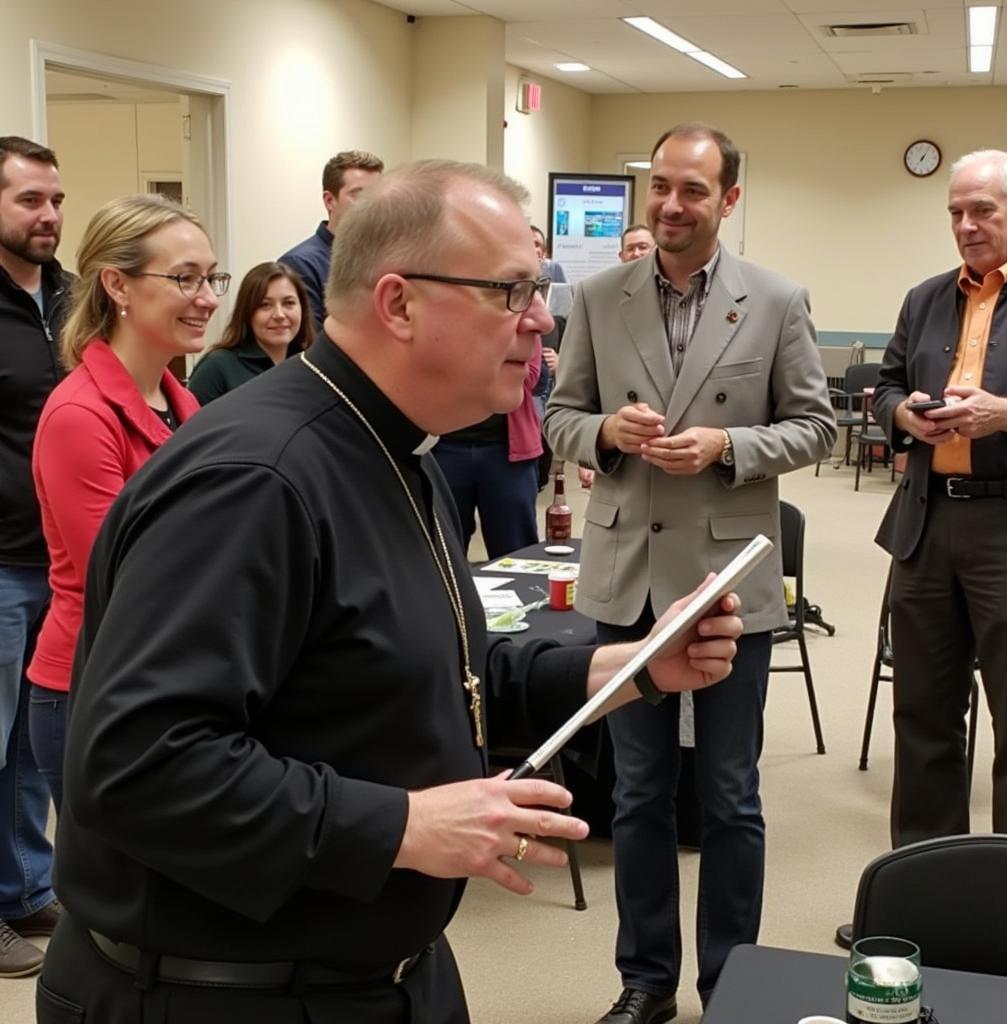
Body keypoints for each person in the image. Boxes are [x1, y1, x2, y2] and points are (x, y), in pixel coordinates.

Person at [37, 159, 744, 1024]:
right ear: (399, 303)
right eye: (511, 291)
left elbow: (429, 673)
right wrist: (400, 827)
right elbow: (136, 765)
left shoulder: (397, 448)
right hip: (220, 991)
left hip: (378, 971)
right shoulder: (257, 480)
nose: (538, 320)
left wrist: (622, 668)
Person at [545, 123, 836, 1021]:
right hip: (627, 574)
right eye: (661, 188)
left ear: (728, 201)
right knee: (636, 792)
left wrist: (728, 445)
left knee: (729, 793)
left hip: (726, 585)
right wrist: (601, 433)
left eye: (694, 191)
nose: (672, 205)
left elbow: (816, 427)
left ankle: (731, 981)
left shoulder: (777, 300)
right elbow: (559, 413)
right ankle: (645, 982)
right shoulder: (597, 296)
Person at [27, 194, 221, 815]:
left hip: (163, 676)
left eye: (211, 277)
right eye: (185, 278)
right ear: (118, 285)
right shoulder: (80, 415)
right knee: (113, 897)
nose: (209, 298)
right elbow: (125, 575)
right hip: (92, 686)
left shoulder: (180, 400)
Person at [873, 149, 1007, 844]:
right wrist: (902, 415)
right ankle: (925, 889)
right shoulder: (926, 297)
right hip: (927, 523)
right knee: (924, 716)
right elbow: (888, 386)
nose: (966, 225)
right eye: (956, 213)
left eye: (983, 211)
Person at [0, 136, 69, 979]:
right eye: (28, 201)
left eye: (54, 198)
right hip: (0, 558)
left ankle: (21, 888)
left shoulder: (70, 294)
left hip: (55, 562)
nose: (48, 214)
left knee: (28, 744)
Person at [433, 334, 545, 558]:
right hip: (444, 449)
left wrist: (466, 361)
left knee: (517, 552)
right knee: (442, 551)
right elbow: (431, 371)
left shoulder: (523, 319)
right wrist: (501, 363)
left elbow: (529, 377)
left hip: (508, 456)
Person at [280, 149, 383, 328]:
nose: (371, 205)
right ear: (329, 200)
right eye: (359, 195)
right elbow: (310, 343)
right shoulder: (300, 264)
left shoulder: (386, 259)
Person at [188, 260, 313, 404]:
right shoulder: (217, 367)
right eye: (265, 305)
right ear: (247, 312)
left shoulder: (309, 365)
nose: (279, 315)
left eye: (288, 303)